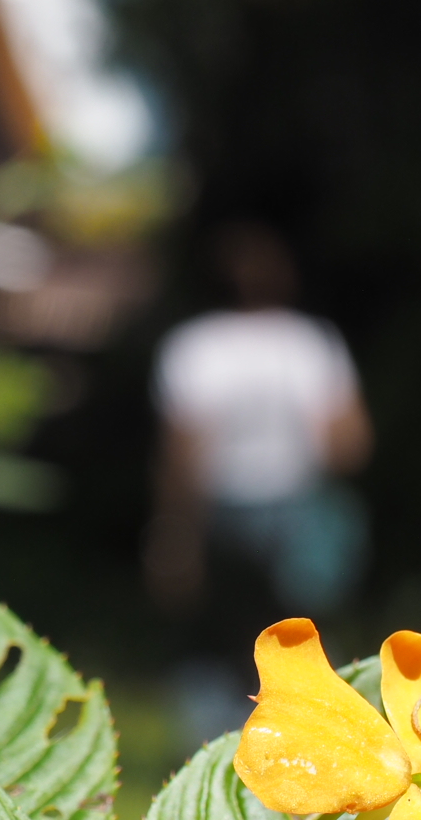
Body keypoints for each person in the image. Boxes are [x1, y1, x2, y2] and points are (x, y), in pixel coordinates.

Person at [146, 224, 372, 629]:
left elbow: (183, 451)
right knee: (304, 623)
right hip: (296, 499)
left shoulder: (193, 345)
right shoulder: (308, 340)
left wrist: (176, 532)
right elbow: (349, 445)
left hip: (223, 504)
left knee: (228, 626)